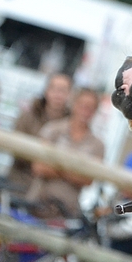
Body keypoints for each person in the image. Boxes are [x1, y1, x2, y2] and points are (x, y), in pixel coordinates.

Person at [28, 88, 105, 218]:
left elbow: (88, 180)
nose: (86, 111)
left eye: (91, 108)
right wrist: (74, 172)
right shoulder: (53, 129)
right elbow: (39, 167)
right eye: (83, 105)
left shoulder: (98, 145)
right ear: (74, 104)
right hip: (38, 201)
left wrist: (56, 167)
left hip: (67, 210)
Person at [8, 73, 73, 189]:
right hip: (19, 181)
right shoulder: (28, 115)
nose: (58, 94)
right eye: (54, 89)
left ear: (69, 94)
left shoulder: (72, 124)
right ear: (46, 90)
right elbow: (15, 147)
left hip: (51, 190)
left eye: (63, 90)